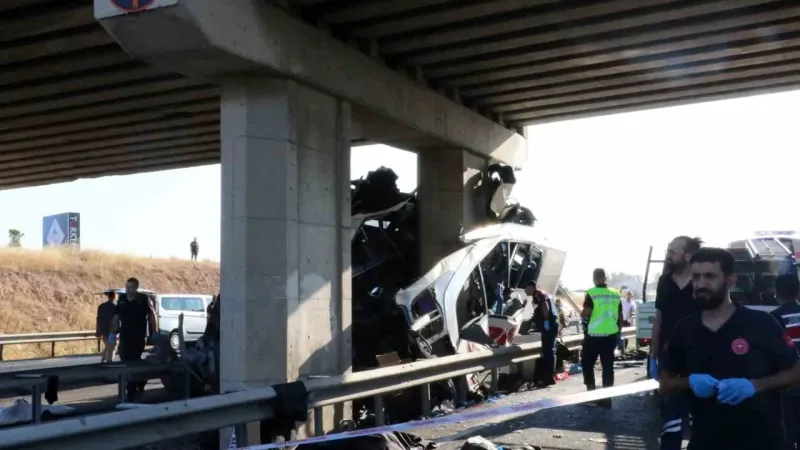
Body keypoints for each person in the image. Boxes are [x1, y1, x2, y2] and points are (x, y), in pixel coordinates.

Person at [660, 248, 800, 450]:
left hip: (763, 441)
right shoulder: (684, 330)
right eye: (696, 277)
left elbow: (796, 372)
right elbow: (665, 384)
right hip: (705, 442)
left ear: (731, 280)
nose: (700, 284)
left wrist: (755, 386)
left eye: (709, 276)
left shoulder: (761, 323)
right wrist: (688, 382)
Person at [651, 235, 703, 450]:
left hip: (698, 355)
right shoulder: (665, 281)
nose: (668, 255)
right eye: (668, 251)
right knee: (670, 413)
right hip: (668, 357)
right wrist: (652, 355)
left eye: (672, 252)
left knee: (700, 414)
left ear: (688, 255)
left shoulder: (702, 281)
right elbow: (659, 318)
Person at [109, 277, 158, 400]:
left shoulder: (143, 299)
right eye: (127, 286)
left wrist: (155, 332)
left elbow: (152, 315)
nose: (128, 289)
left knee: (134, 359)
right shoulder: (122, 299)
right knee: (124, 358)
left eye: (131, 287)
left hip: (139, 335)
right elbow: (116, 316)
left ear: (136, 287)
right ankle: (137, 381)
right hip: (125, 335)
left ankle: (132, 387)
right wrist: (112, 332)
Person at [581, 268, 623, 408]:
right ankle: (606, 398)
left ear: (594, 278)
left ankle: (592, 394)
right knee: (608, 367)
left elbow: (587, 312)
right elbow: (620, 317)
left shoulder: (592, 293)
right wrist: (618, 333)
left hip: (593, 336)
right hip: (610, 336)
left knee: (587, 364)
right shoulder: (615, 293)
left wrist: (583, 314)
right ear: (606, 278)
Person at [770, 273, 800, 449]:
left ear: (776, 292)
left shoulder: (773, 318)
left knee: (786, 436)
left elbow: (773, 354)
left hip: (786, 387)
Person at [526, 281, 558, 387]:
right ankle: (550, 376)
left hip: (549, 325)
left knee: (548, 351)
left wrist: (546, 320)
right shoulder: (540, 294)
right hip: (551, 325)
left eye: (526, 288)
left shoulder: (539, 294)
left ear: (532, 287)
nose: (525, 290)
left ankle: (548, 378)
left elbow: (545, 307)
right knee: (550, 351)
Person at [96, 290, 117, 363]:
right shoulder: (115, 307)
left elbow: (98, 319)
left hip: (103, 330)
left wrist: (98, 331)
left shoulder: (101, 306)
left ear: (108, 296)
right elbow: (117, 320)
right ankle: (109, 360)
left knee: (108, 345)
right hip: (112, 330)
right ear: (114, 296)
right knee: (112, 346)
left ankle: (104, 359)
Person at [619, 289, 637, 355]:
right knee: (621, 334)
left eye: (630, 295)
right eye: (628, 295)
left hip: (628, 321)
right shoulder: (623, 301)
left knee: (626, 335)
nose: (629, 296)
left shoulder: (633, 303)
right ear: (626, 295)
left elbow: (634, 312)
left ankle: (624, 347)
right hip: (622, 320)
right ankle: (620, 347)